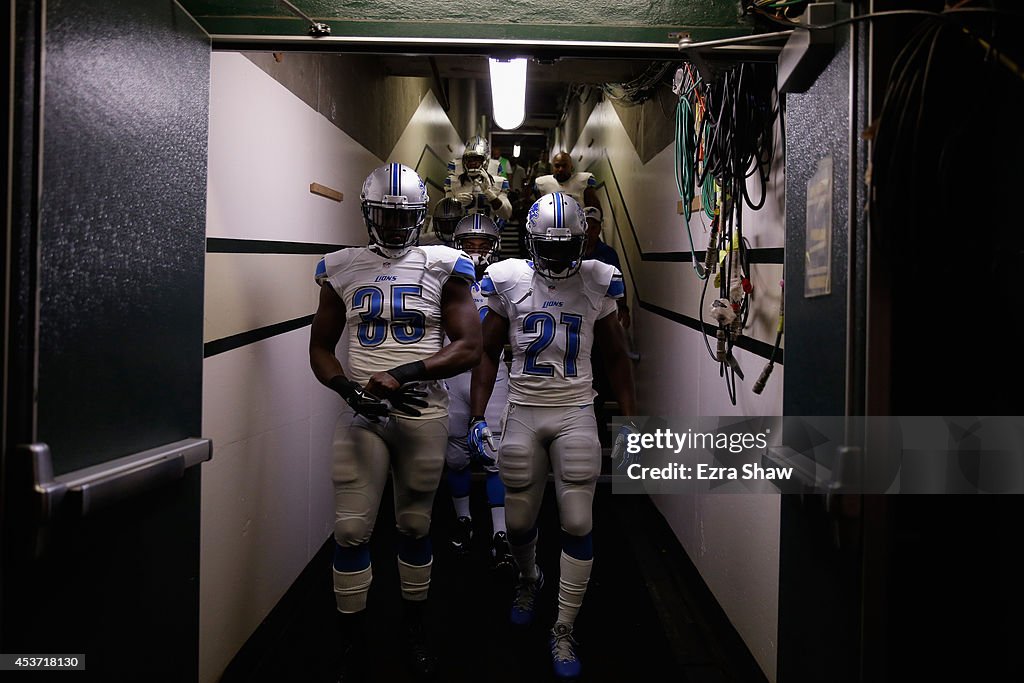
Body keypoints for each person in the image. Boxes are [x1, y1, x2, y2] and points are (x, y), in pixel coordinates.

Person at [309, 162, 481, 681]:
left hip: (422, 409)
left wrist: (401, 373)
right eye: (383, 215)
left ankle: (413, 631)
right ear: (367, 213)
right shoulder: (341, 267)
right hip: (363, 413)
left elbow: (470, 347)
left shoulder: (443, 265)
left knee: (413, 525)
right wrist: (347, 388)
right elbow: (320, 347)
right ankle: (350, 645)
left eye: (401, 216)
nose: (391, 225)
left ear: (420, 216)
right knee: (351, 529)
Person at [469, 192, 636, 680]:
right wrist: (479, 416)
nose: (560, 257)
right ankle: (529, 578)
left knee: (578, 520)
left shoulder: (597, 282)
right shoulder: (510, 279)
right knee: (518, 522)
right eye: (552, 247)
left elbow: (617, 357)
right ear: (533, 241)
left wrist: (630, 423)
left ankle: (563, 626)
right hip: (522, 409)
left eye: (569, 248)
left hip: (575, 411)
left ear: (582, 243)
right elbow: (486, 351)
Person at [442, 213, 514, 568]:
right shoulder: (442, 277)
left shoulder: (507, 279)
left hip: (495, 373)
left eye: (482, 244)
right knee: (454, 454)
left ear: (494, 246)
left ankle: (500, 531)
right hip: (453, 376)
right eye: (468, 245)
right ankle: (463, 518)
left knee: (493, 453)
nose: (475, 251)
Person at [445, 136, 512, 222]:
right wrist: (455, 203)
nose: (472, 163)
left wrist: (490, 194)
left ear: (485, 161)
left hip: (489, 230)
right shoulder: (453, 181)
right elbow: (445, 213)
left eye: (477, 159)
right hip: (462, 230)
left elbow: (506, 214)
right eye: (469, 159)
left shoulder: (498, 182)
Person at [533, 151, 600, 210]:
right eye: (557, 166)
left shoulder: (584, 180)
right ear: (552, 168)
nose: (561, 169)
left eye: (564, 166)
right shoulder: (541, 184)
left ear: (571, 167)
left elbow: (594, 210)